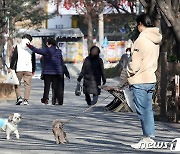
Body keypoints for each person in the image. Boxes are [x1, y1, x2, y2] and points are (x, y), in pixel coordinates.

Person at [127, 14, 162, 149]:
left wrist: (128, 72)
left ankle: (147, 138)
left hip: (140, 79)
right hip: (150, 78)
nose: (137, 27)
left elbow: (134, 64)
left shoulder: (141, 40)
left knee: (142, 111)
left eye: (138, 24)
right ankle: (150, 137)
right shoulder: (155, 39)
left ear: (141, 24)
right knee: (148, 110)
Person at [27, 37, 70, 105]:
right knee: (55, 87)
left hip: (48, 72)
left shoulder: (46, 50)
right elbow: (61, 63)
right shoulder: (58, 51)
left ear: (47, 43)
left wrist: (29, 46)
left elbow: (37, 50)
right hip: (57, 72)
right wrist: (66, 73)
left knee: (47, 86)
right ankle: (55, 99)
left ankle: (45, 99)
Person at [10, 34, 36, 105]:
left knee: (17, 83)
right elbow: (33, 60)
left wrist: (11, 67)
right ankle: (26, 100)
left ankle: (19, 97)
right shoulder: (31, 48)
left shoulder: (18, 46)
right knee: (27, 85)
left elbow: (14, 58)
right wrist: (33, 69)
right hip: (28, 68)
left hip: (19, 68)